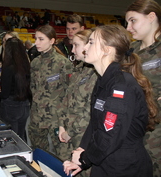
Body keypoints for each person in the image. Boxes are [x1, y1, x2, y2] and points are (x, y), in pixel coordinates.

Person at [63, 25, 159, 177]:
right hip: (105, 162)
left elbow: (109, 135)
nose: (85, 47)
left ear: (107, 49)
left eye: (91, 42)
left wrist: (85, 159)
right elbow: (95, 123)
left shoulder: (121, 86)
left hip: (124, 167)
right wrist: (82, 150)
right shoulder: (104, 81)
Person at [125, 0, 161, 177]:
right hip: (131, 128)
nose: (128, 27)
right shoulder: (131, 51)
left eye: (133, 21)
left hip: (156, 132)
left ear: (151, 17)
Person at [57, 29, 97, 177]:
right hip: (67, 135)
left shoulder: (97, 73)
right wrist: (62, 126)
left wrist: (70, 132)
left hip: (83, 139)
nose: (72, 50)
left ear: (88, 46)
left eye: (76, 45)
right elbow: (65, 100)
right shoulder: (78, 70)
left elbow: (90, 113)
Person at [28, 25, 72, 155]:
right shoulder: (35, 62)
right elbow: (33, 88)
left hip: (56, 117)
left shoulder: (63, 63)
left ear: (52, 41)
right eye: (36, 39)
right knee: (39, 152)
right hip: (37, 116)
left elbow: (69, 92)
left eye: (41, 39)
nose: (36, 43)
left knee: (62, 154)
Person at [0, 37, 32, 140]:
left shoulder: (8, 68)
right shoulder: (27, 66)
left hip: (10, 107)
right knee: (21, 136)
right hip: (25, 106)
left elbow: (5, 93)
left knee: (11, 138)